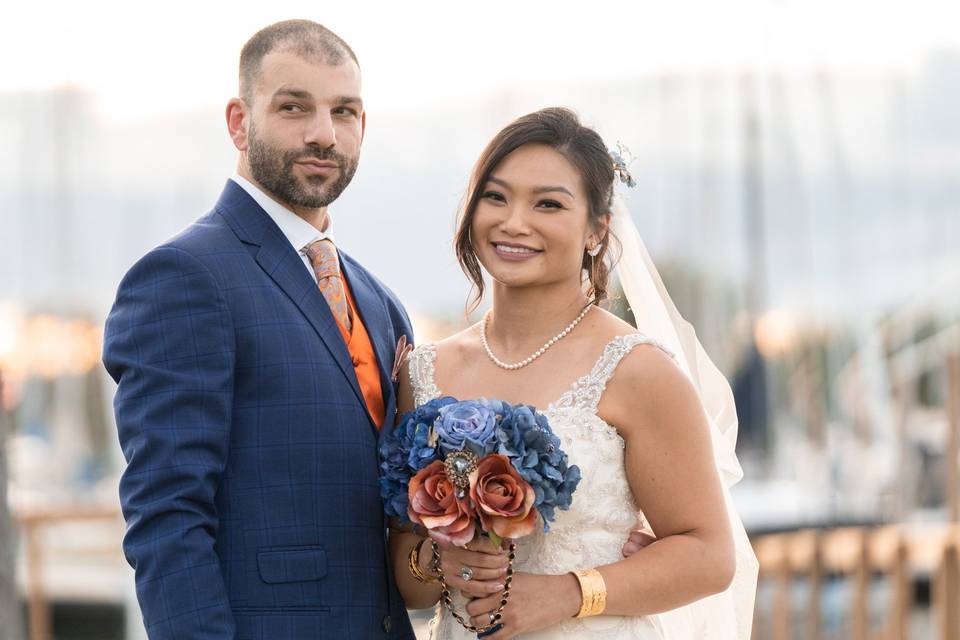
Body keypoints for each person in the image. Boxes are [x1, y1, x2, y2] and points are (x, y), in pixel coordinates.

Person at [390, 107, 757, 639]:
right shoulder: (424, 371)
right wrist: (437, 560)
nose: (515, 222)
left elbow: (709, 556)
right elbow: (404, 569)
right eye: (496, 197)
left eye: (548, 204)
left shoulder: (637, 370)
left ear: (595, 230)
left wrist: (569, 593)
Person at [103, 20, 416, 640]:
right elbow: (167, 518)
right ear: (239, 122)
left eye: (343, 112)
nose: (323, 134)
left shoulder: (381, 304)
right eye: (294, 107)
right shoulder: (183, 277)